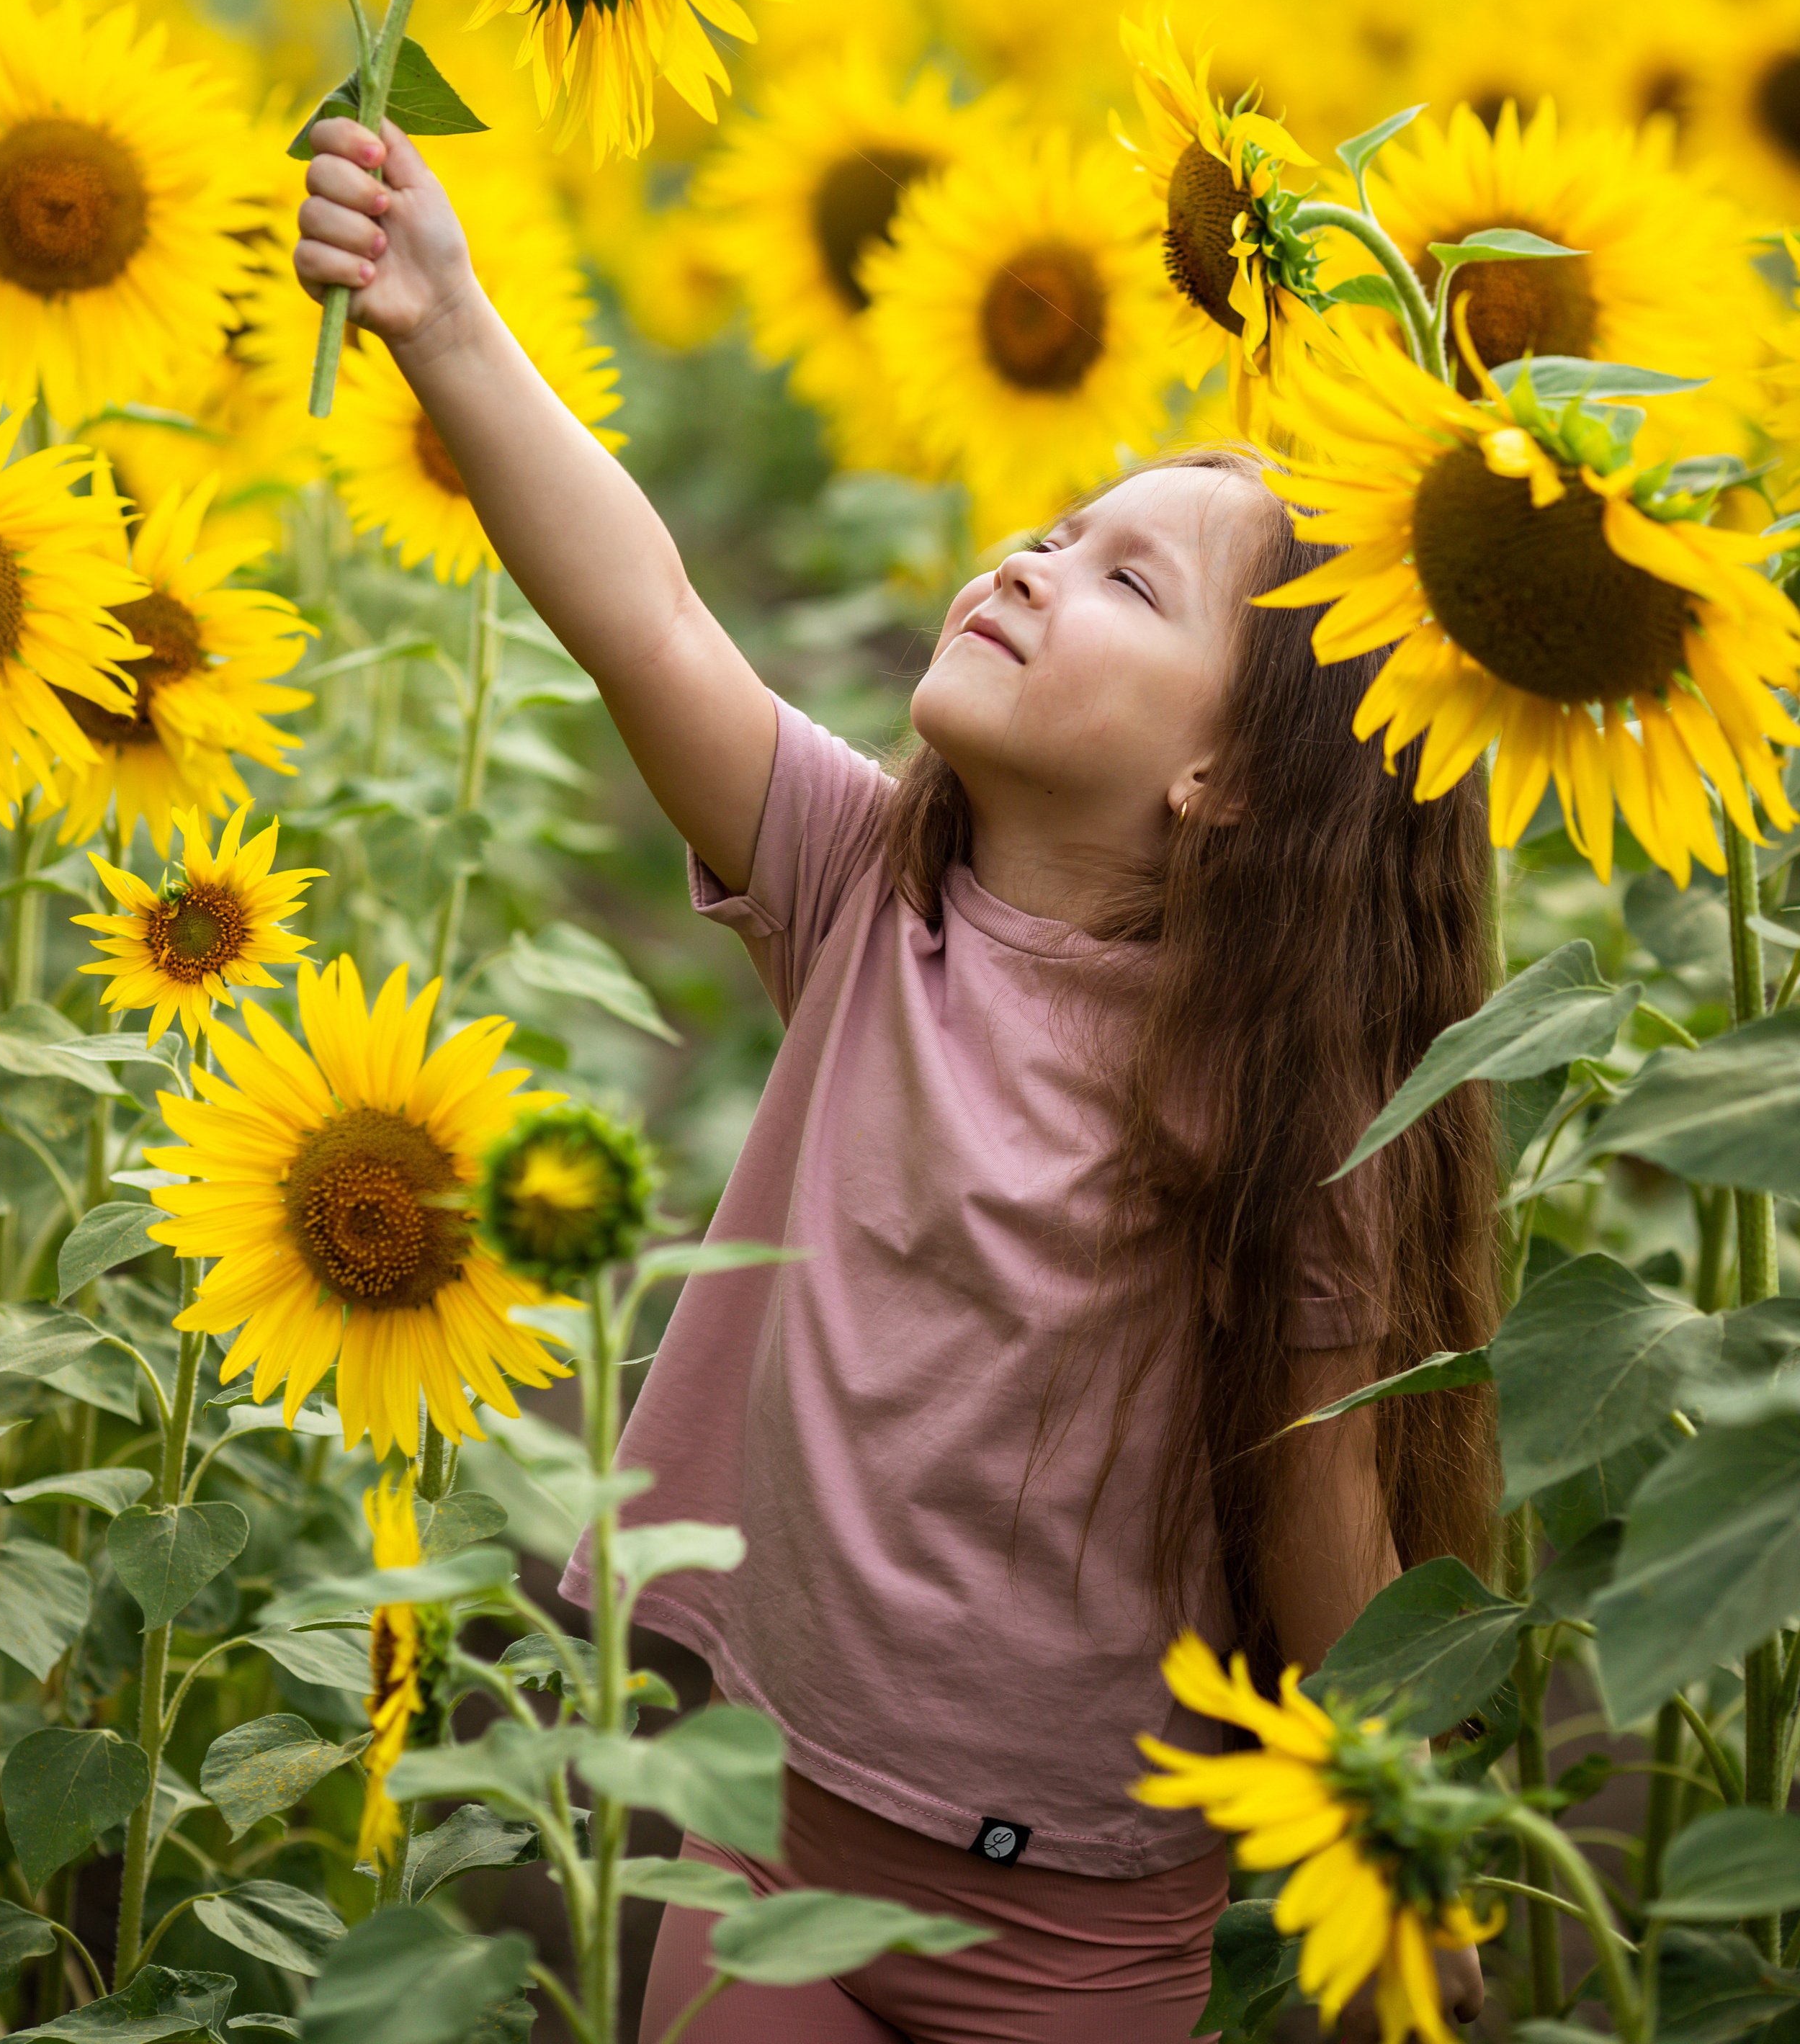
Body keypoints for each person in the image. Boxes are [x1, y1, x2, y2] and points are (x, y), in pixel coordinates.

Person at [297, 120, 1500, 2044]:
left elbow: (1322, 1522)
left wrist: (1408, 1870)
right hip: (768, 1833)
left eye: (1125, 585)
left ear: (1234, 783)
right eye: (1052, 531)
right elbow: (650, 614)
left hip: (1080, 1923)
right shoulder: (864, 895)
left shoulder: (1279, 1114)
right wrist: (443, 317)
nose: (1029, 564)